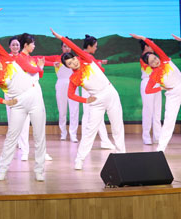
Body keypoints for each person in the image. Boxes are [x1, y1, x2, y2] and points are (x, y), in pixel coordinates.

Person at [0, 17, 47, 182]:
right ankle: (2, 169)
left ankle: (39, 170)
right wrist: (5, 102)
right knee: (11, 137)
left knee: (39, 136)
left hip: (34, 97)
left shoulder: (6, 58)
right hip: (18, 104)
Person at [51, 29, 126, 170]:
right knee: (90, 131)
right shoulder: (74, 78)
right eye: (69, 64)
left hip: (111, 94)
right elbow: (70, 95)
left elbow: (73, 46)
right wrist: (85, 101)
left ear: (75, 57)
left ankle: (122, 155)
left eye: (73, 60)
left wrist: (60, 37)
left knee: (117, 127)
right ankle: (79, 159)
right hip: (96, 101)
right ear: (68, 67)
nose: (73, 63)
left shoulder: (86, 59)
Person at [132, 33, 181, 156]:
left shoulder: (165, 60)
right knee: (169, 122)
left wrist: (143, 38)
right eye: (152, 62)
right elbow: (148, 90)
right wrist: (161, 88)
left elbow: (155, 47)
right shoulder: (154, 75)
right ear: (149, 65)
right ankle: (160, 149)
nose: (155, 61)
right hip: (172, 94)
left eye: (155, 58)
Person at [15, 33, 52, 161]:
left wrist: (39, 68)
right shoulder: (19, 58)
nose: (34, 46)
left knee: (39, 122)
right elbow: (30, 70)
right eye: (33, 44)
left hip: (36, 89)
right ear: (26, 45)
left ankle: (42, 152)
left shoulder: (32, 58)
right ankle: (25, 151)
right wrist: (39, 67)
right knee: (24, 122)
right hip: (24, 91)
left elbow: (39, 74)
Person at [78, 35, 115, 150]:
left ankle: (104, 141)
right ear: (89, 46)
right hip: (91, 89)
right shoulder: (86, 57)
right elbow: (101, 70)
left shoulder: (83, 56)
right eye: (95, 46)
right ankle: (93, 141)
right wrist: (99, 65)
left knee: (94, 115)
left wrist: (98, 63)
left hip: (90, 88)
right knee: (90, 115)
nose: (96, 48)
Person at [47, 38, 80, 142]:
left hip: (73, 84)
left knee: (74, 110)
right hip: (61, 84)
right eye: (65, 46)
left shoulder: (76, 59)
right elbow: (41, 59)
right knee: (62, 110)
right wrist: (52, 64)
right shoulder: (57, 58)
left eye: (69, 46)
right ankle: (63, 133)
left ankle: (73, 134)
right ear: (61, 47)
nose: (67, 48)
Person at [140, 40, 162, 145]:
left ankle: (157, 136)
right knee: (148, 111)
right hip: (147, 82)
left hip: (157, 83)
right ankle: (146, 136)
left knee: (157, 111)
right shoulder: (143, 58)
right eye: (151, 45)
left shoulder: (154, 57)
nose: (153, 47)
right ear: (146, 46)